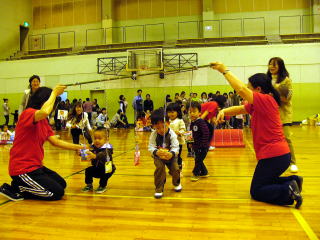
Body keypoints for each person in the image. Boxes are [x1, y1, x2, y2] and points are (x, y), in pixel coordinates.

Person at [211, 62, 303, 209]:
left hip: (274, 156)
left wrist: (224, 71)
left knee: (257, 191)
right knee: (265, 183)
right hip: (278, 155)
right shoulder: (259, 103)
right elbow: (240, 109)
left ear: (258, 90)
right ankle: (293, 181)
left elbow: (240, 89)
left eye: (250, 89)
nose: (247, 91)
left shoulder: (265, 100)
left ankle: (287, 190)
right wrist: (223, 111)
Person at [0, 86, 85, 201]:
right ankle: (16, 188)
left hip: (36, 167)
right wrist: (54, 93)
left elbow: (56, 142)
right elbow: (45, 111)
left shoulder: (43, 121)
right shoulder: (28, 114)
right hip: (22, 169)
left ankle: (22, 185)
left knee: (61, 184)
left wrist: (79, 147)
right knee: (55, 193)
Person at [267, 57, 298, 173]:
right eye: (270, 64)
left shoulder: (286, 80)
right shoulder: (266, 80)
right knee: (271, 140)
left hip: (284, 114)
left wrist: (275, 90)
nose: (271, 67)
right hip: (270, 114)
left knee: (287, 138)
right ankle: (274, 162)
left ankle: (293, 163)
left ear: (280, 66)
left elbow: (287, 98)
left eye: (274, 65)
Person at [148, 108, 181, 199]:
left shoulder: (172, 134)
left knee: (175, 168)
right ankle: (159, 188)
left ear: (168, 124)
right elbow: (150, 147)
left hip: (171, 156)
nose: (161, 130)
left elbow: (176, 147)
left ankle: (176, 183)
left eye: (164, 126)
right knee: (160, 168)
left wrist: (171, 153)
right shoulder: (153, 134)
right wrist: (156, 152)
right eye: (158, 128)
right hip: (158, 156)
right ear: (153, 126)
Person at [81, 127, 116, 194]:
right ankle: (89, 185)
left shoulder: (108, 148)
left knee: (105, 172)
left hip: (108, 168)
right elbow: (87, 152)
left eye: (99, 138)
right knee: (88, 170)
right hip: (97, 168)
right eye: (95, 138)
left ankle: (102, 186)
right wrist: (82, 153)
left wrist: (95, 156)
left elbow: (103, 155)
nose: (97, 140)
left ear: (106, 140)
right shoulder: (93, 146)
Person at [189, 101, 210, 181]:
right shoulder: (192, 123)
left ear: (199, 113)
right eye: (190, 112)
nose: (192, 114)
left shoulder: (200, 122)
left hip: (202, 147)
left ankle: (196, 173)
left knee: (198, 160)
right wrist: (190, 143)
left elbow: (206, 133)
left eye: (194, 111)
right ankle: (204, 172)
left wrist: (204, 145)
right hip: (196, 146)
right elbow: (190, 134)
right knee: (198, 159)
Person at [167, 103, 186, 171]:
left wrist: (179, 132)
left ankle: (178, 167)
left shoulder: (180, 121)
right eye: (169, 112)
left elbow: (183, 129)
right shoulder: (167, 121)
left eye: (172, 112)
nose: (170, 114)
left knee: (177, 155)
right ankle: (172, 167)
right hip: (169, 142)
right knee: (171, 155)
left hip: (178, 142)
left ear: (177, 112)